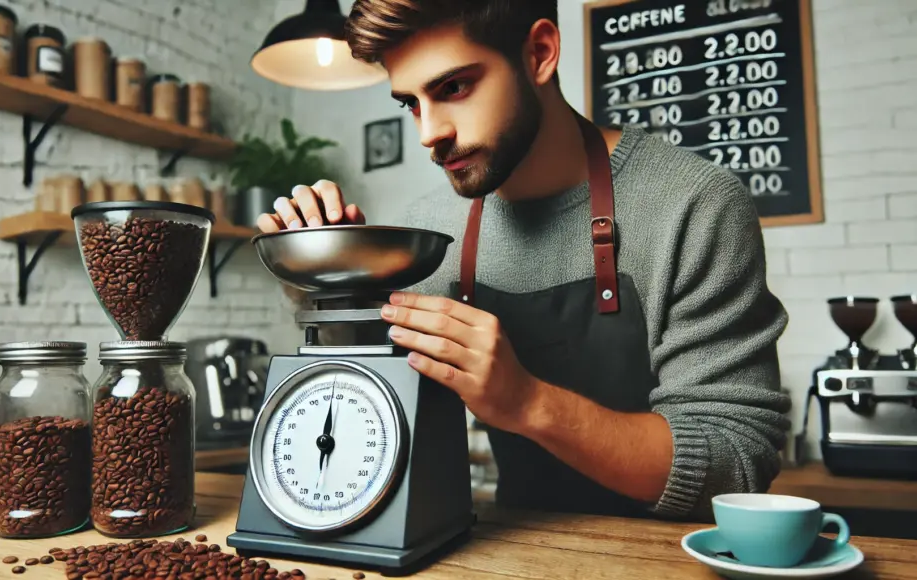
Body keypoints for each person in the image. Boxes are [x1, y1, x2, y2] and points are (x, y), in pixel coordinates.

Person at [256, 0, 791, 521]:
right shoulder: (432, 230)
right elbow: (369, 400)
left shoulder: (692, 203)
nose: (429, 133)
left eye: (454, 87)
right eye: (411, 102)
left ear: (539, 53)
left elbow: (736, 460)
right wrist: (341, 276)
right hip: (511, 548)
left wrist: (528, 401)